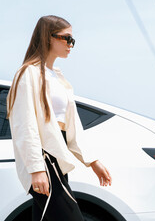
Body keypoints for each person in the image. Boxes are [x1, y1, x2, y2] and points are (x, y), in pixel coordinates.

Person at [6, 15, 112, 221]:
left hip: (58, 157)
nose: (71, 44)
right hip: (45, 158)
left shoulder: (58, 78)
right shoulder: (28, 73)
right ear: (48, 37)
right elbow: (24, 125)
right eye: (67, 38)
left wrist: (92, 161)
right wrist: (36, 169)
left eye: (73, 40)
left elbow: (72, 127)